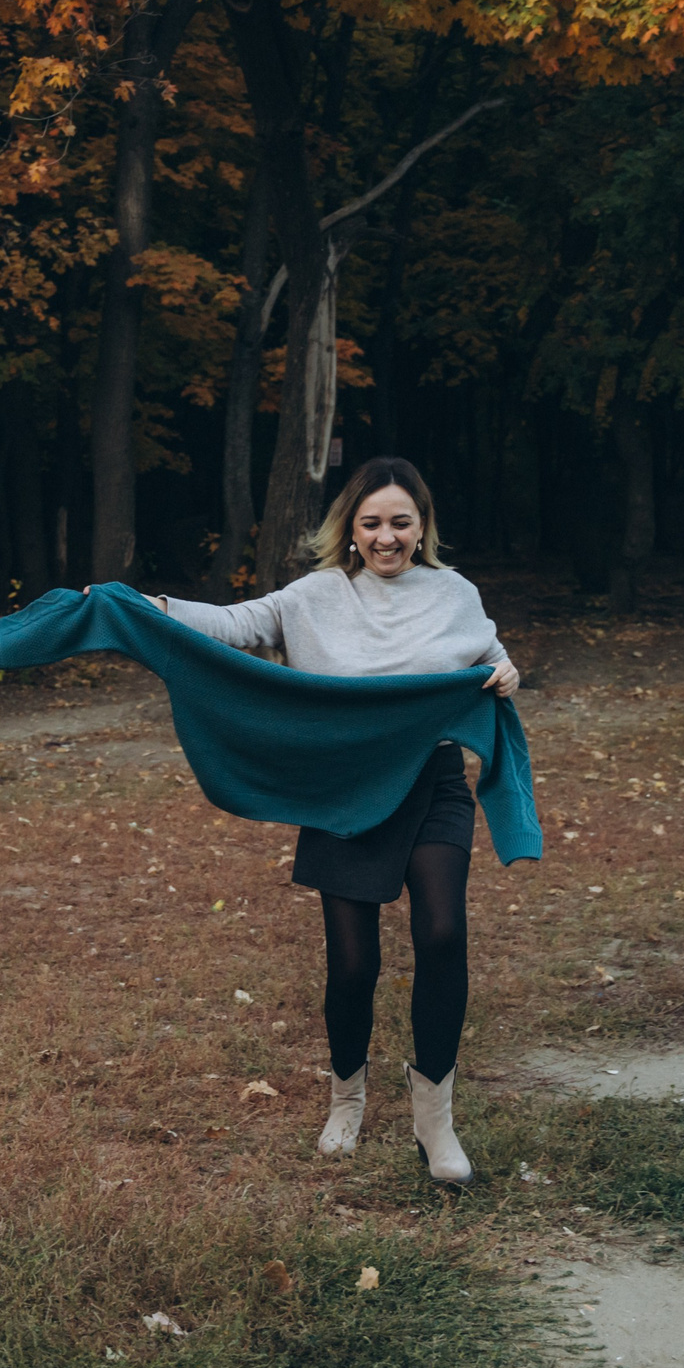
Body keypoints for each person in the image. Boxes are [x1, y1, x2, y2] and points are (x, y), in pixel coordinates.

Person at [155, 456, 517, 1182]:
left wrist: (507, 671)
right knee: (354, 964)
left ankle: (434, 1124)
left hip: (434, 780)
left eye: (401, 522)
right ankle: (345, 1099)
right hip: (344, 790)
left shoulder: (454, 592)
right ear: (351, 528)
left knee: (443, 932)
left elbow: (490, 654)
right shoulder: (315, 595)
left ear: (422, 527)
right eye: (372, 522)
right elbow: (232, 625)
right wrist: (145, 608)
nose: (387, 537)